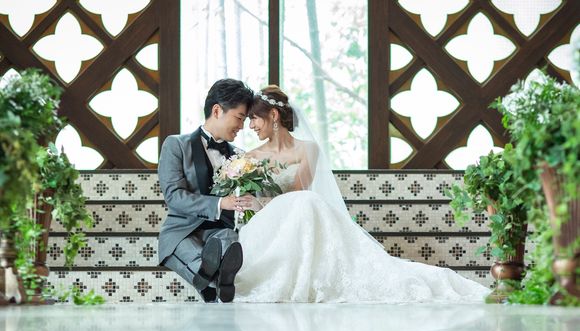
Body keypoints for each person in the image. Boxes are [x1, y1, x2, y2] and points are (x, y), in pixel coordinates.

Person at [232, 85, 490, 303]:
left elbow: (299, 192)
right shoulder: (251, 157)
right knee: (306, 204)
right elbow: (247, 200)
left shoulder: (307, 150)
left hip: (298, 218)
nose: (250, 126)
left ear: (273, 115)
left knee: (306, 201)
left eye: (254, 118)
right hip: (270, 226)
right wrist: (255, 203)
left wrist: (262, 201)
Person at [157, 78, 256, 303]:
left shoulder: (240, 156)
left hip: (221, 231)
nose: (242, 126)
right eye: (239, 118)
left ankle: (211, 281)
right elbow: (173, 196)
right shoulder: (176, 145)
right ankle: (216, 277)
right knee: (198, 256)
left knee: (230, 241)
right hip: (183, 232)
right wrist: (220, 203)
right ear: (217, 110)